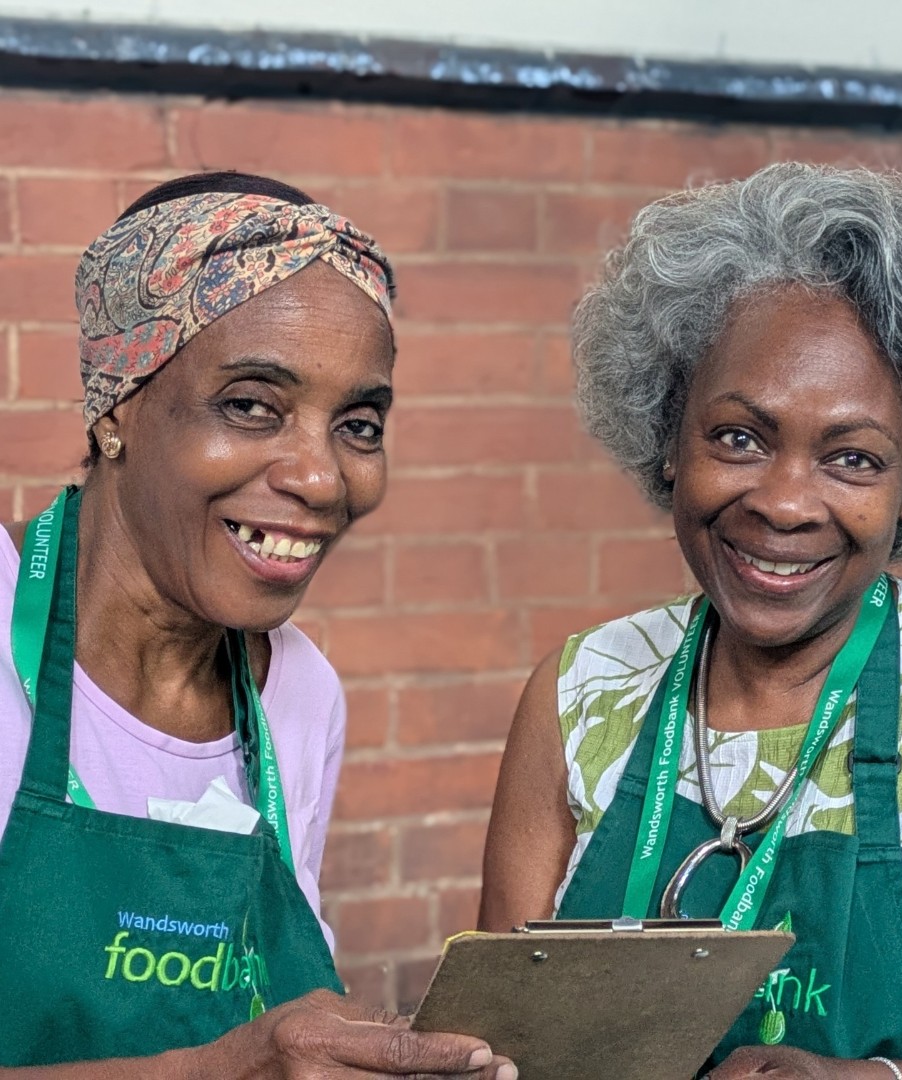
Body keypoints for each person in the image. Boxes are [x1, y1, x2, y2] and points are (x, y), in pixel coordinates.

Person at [480, 163, 902, 1079]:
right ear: (669, 437)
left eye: (852, 458)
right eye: (739, 438)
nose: (787, 504)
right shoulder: (581, 690)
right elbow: (500, 1044)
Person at [0, 171, 515, 1079]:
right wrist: (217, 1071)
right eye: (251, 406)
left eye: (358, 424)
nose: (321, 479)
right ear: (118, 405)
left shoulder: (300, 694)